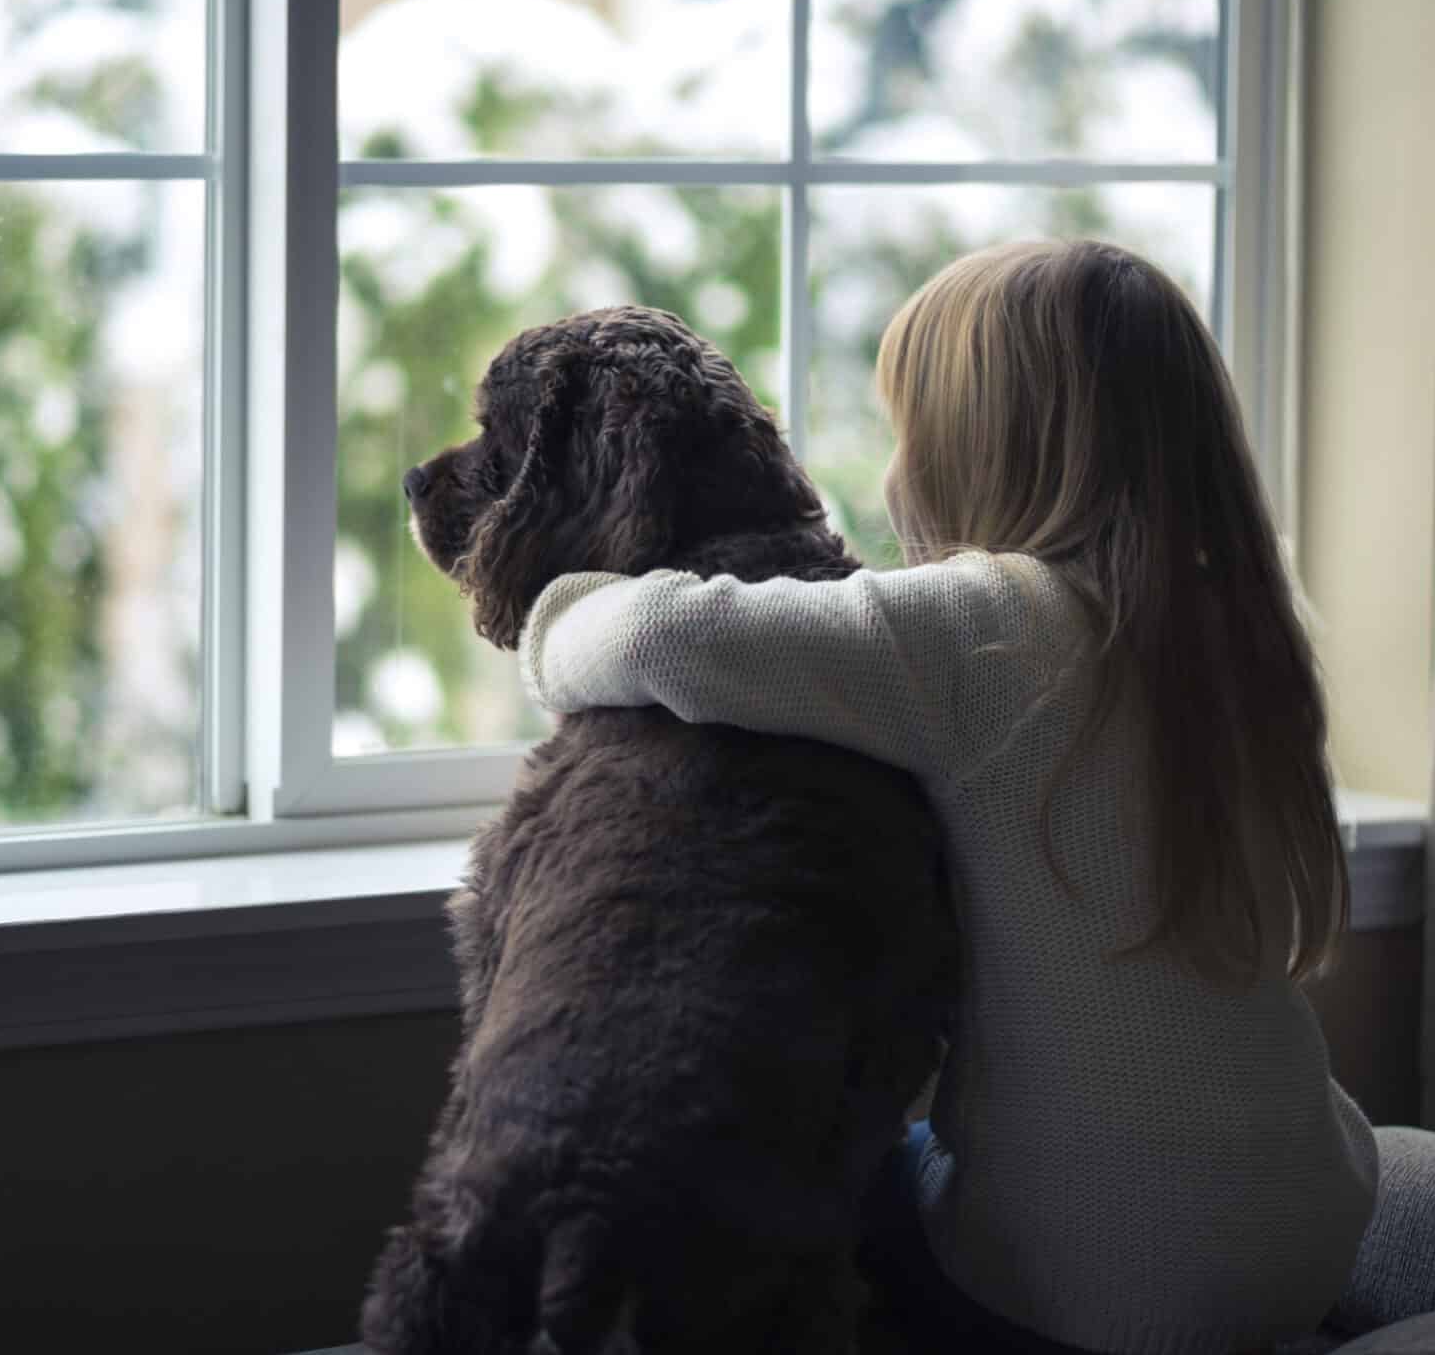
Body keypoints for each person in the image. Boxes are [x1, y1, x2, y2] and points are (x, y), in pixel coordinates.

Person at [518, 239, 1377, 1354]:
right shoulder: (1249, 627)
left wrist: (548, 620)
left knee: (835, 1180)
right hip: (1306, 1233)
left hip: (1093, 1291)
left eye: (906, 429)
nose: (890, 470)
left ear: (980, 447)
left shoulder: (988, 625)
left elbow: (661, 635)